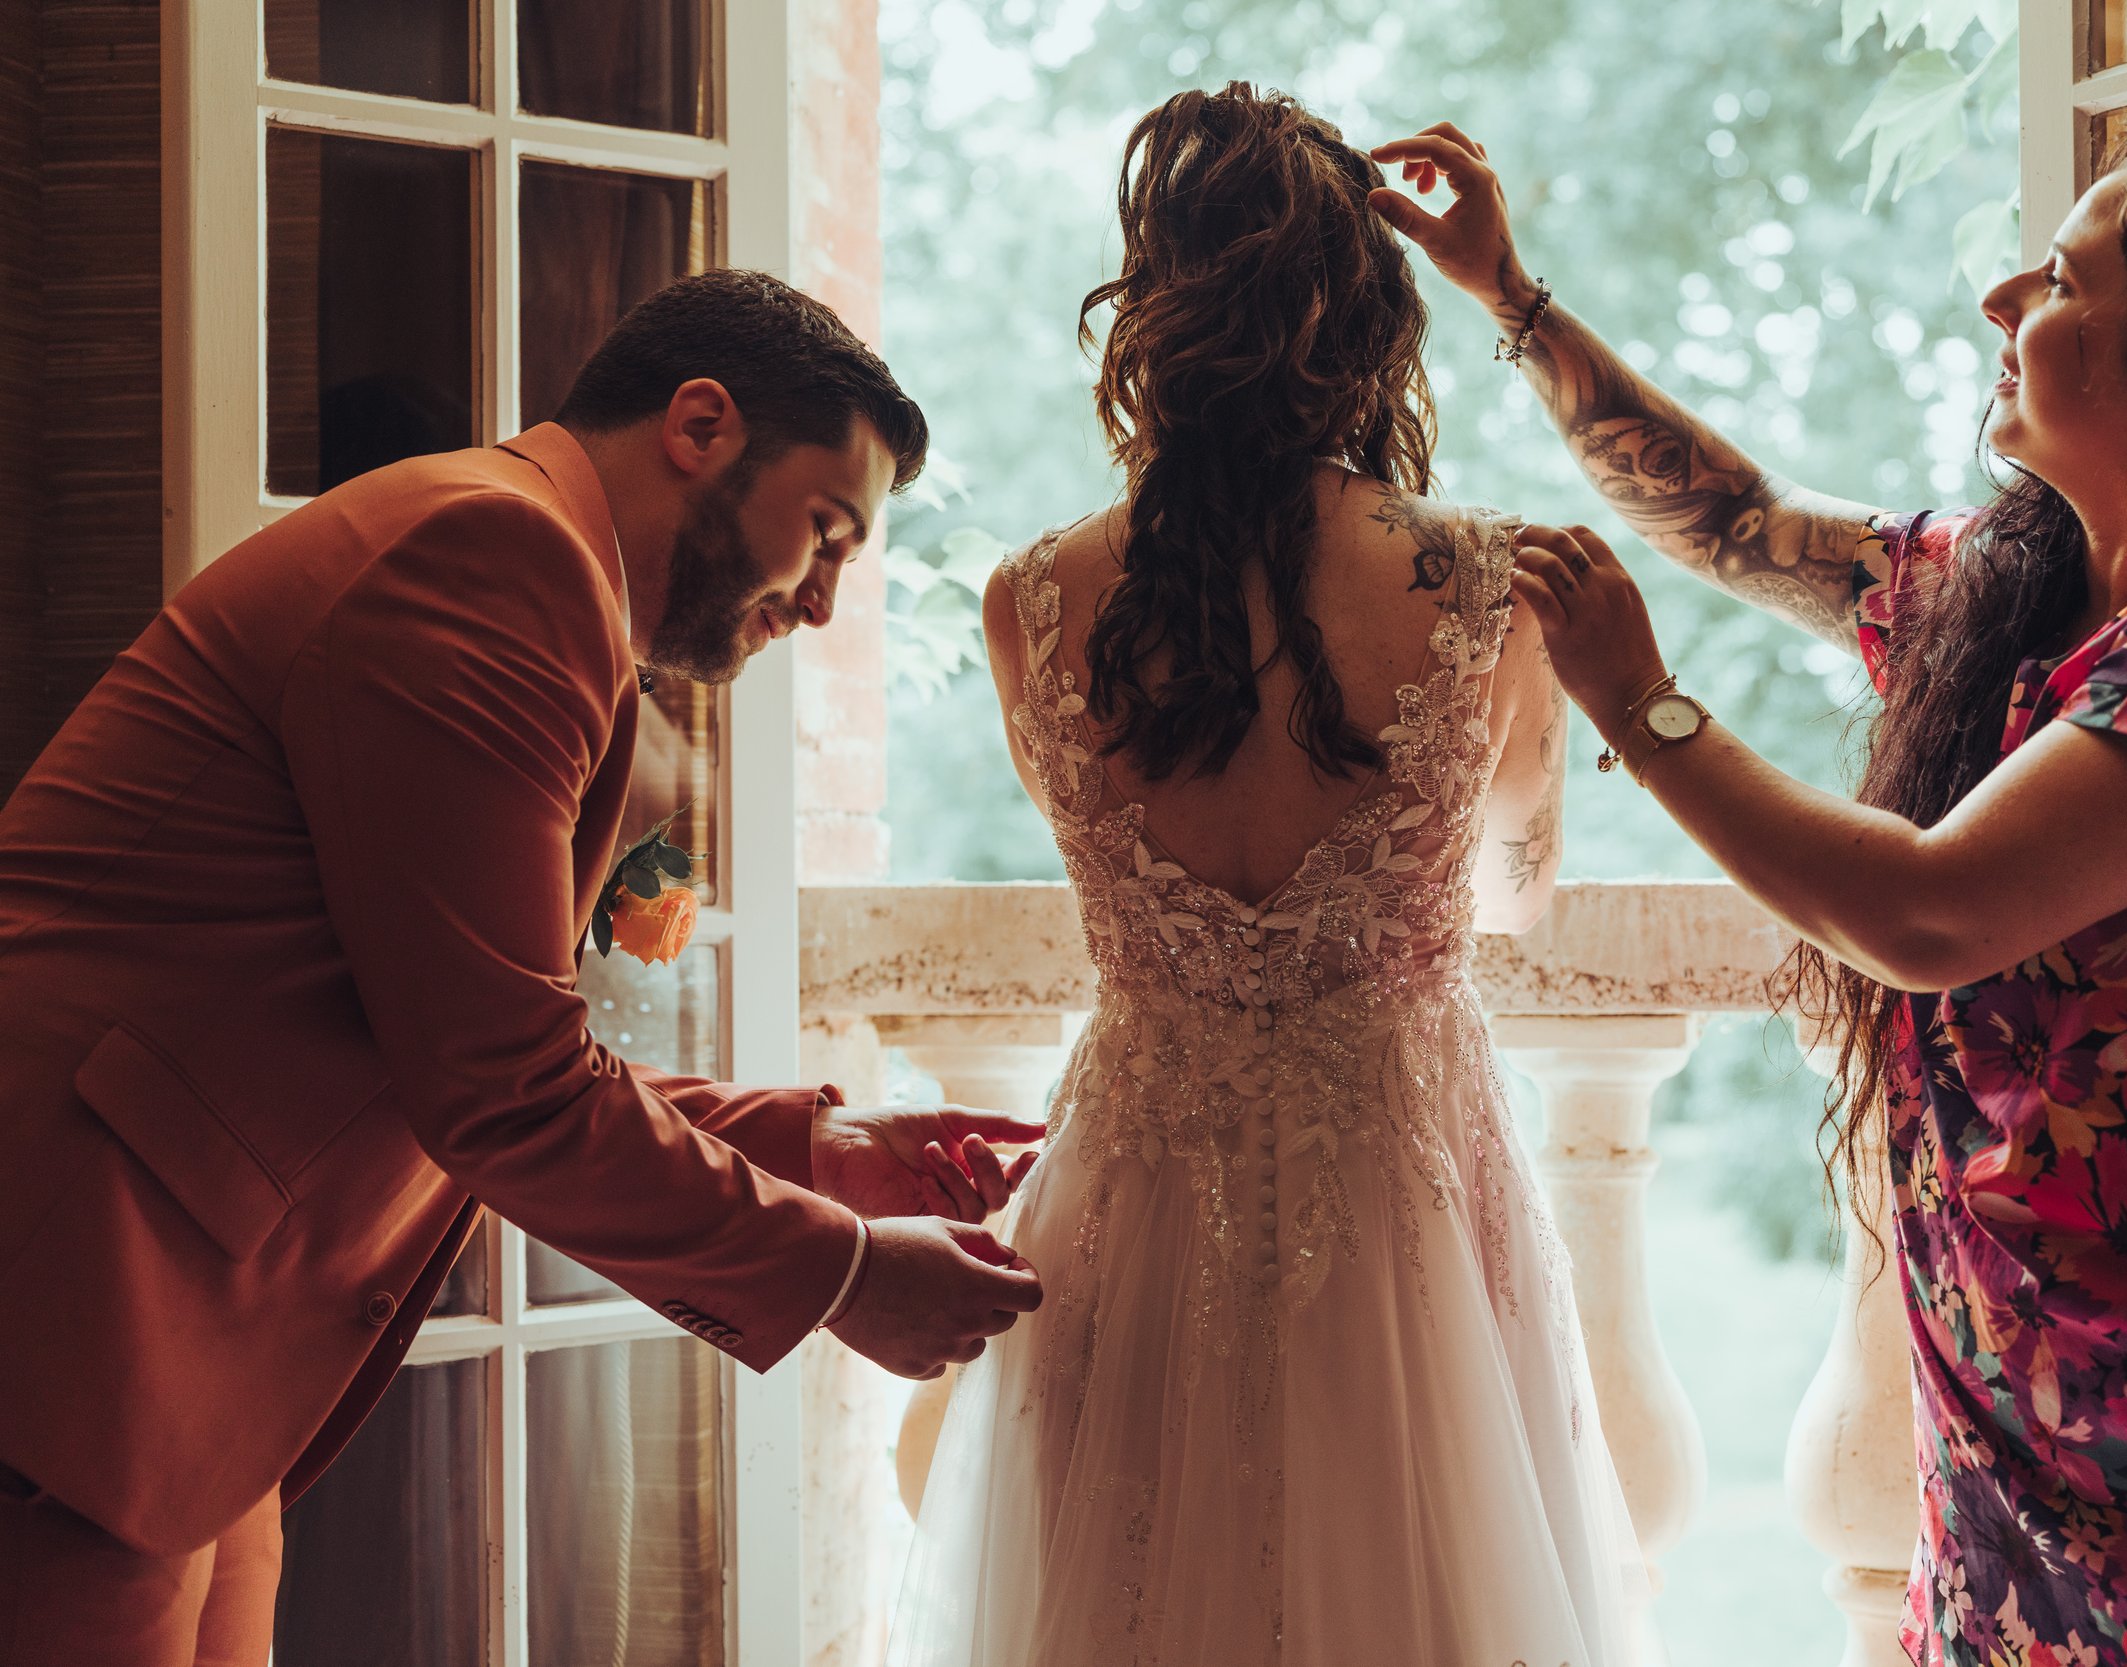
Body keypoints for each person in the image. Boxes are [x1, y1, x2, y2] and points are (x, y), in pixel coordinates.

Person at [1370, 119, 2127, 1664]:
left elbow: (1927, 914)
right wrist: (1511, 297)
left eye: (2064, 280)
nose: (2001, 299)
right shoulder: (2018, 590)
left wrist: (1643, 704)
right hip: (2031, 1445)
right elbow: (1738, 524)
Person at [0, 269, 1046, 1667]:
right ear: (700, 426)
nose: (822, 605)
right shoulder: (494, 557)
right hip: (68, 1314)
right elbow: (505, 1087)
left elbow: (474, 1035)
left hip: (179, 1362)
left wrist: (817, 1146)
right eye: (826, 533)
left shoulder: (513, 556)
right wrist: (846, 1274)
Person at [885, 86, 1646, 1667]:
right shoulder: (1491, 588)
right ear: (1370, 317)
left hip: (1141, 1186)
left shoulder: (1030, 600)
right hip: (1402, 1183)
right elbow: (1515, 891)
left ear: (1147, 309)